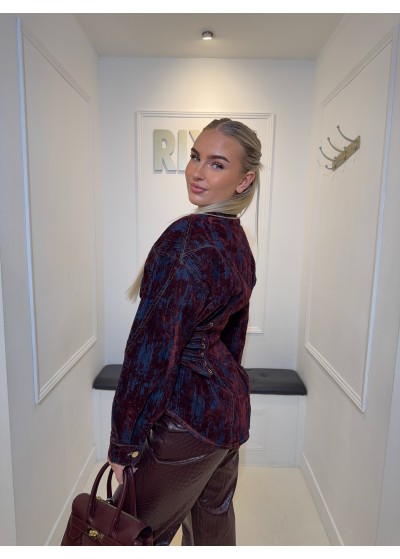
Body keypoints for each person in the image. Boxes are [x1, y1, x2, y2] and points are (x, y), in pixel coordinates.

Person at [108, 118, 263, 545]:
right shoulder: (237, 241)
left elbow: (152, 351)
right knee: (212, 529)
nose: (197, 172)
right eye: (196, 157)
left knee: (126, 537)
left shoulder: (186, 238)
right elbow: (233, 341)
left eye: (217, 164)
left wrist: (125, 441)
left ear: (244, 180)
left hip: (188, 420)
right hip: (229, 412)